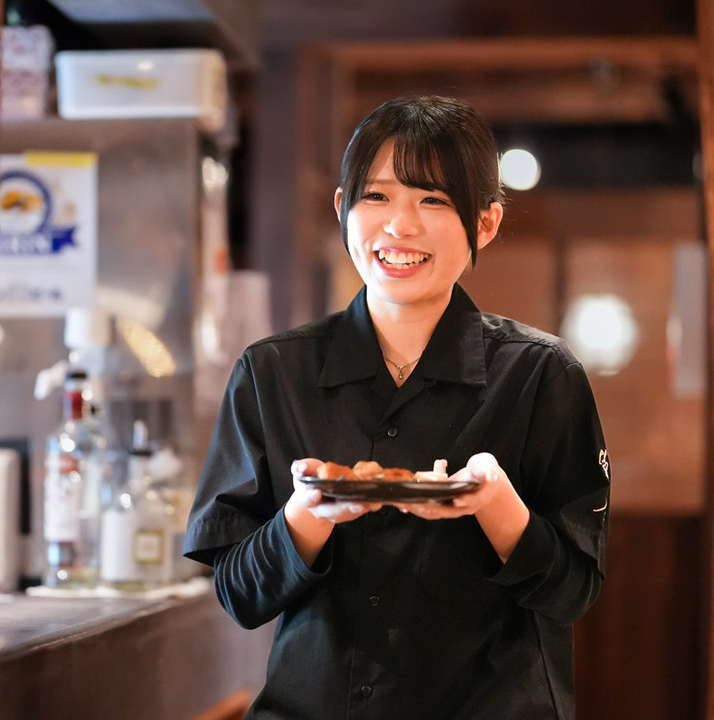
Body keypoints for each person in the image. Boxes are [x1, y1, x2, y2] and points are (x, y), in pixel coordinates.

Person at [184, 96, 610, 719]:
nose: (400, 227)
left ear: (485, 223)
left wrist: (498, 506)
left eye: (433, 201)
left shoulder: (542, 374)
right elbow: (240, 595)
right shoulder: (273, 372)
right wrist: (307, 514)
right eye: (377, 197)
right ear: (342, 209)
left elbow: (573, 591)